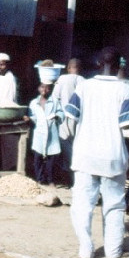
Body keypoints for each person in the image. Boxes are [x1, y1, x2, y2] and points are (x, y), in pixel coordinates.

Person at [65, 47, 129, 258]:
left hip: (85, 155)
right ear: (119, 66)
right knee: (114, 205)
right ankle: (112, 251)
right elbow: (128, 128)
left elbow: (69, 119)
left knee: (82, 205)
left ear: (97, 64)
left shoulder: (84, 86)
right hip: (113, 157)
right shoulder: (126, 90)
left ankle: (86, 249)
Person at [52, 58, 84, 186]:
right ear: (79, 68)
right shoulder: (83, 80)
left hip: (64, 117)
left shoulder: (62, 79)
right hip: (78, 118)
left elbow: (55, 97)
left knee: (65, 146)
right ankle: (74, 175)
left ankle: (68, 176)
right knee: (76, 146)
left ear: (68, 68)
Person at [24, 82, 63, 186]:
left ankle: (51, 180)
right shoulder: (34, 103)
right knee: (38, 158)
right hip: (39, 133)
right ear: (38, 88)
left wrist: (57, 116)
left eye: (47, 88)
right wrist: (29, 119)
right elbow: (33, 116)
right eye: (42, 87)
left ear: (50, 89)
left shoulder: (55, 101)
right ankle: (40, 179)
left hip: (51, 132)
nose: (44, 90)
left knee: (51, 158)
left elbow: (60, 112)